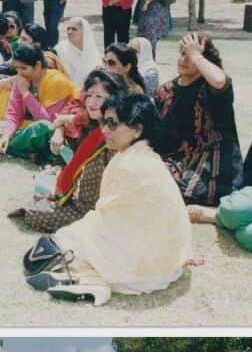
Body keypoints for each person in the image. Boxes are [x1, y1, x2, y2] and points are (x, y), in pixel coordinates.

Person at [26, 93, 191, 305]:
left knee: (65, 241)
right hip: (166, 264)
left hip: (138, 269)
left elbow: (106, 220)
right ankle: (75, 273)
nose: (104, 130)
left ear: (137, 129)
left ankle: (90, 281)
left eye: (112, 124)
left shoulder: (128, 163)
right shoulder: (143, 155)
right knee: (66, 239)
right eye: (104, 122)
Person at [188, 64, 252, 253]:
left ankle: (223, 219)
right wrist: (241, 193)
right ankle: (225, 216)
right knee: (232, 210)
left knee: (251, 237)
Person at [10, 70, 128, 231]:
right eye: (89, 95)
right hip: (88, 200)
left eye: (99, 97)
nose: (92, 102)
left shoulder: (115, 135)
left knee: (34, 213)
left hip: (101, 210)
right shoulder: (95, 125)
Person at [157, 32, 242, 206]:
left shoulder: (212, 87)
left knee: (190, 193)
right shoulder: (165, 90)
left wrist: (196, 55)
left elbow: (219, 80)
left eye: (191, 57)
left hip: (211, 155)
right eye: (182, 54)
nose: (184, 60)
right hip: (177, 158)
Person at [0, 44, 79, 162]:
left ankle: (17, 149)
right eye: (17, 68)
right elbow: (14, 113)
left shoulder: (56, 81)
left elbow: (50, 122)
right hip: (27, 130)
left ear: (38, 65)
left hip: (53, 133)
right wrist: (6, 136)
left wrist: (25, 93)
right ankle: (25, 153)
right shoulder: (21, 78)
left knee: (43, 127)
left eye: (24, 68)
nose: (20, 72)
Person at [55, 17, 102, 94]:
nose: (70, 32)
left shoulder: (93, 52)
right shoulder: (60, 49)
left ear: (84, 32)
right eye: (68, 29)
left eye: (74, 29)